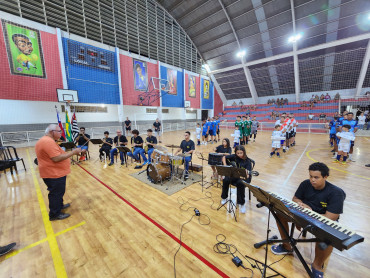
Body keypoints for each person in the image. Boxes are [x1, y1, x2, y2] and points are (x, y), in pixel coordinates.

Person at [271, 162, 346, 278]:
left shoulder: (336, 193)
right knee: (280, 214)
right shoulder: (305, 184)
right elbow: (295, 198)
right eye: (310, 176)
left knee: (328, 236)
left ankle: (317, 265)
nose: (312, 180)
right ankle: (287, 247)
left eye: (316, 177)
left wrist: (309, 212)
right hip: (303, 214)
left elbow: (330, 218)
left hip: (322, 220)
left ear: (325, 177)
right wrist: (300, 204)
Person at [35, 124, 82, 220]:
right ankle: (55, 214)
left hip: (54, 172)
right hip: (53, 173)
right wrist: (73, 152)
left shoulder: (47, 140)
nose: (61, 133)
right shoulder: (48, 142)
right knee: (55, 193)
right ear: (52, 132)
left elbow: (57, 154)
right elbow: (56, 158)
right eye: (59, 131)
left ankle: (59, 206)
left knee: (59, 192)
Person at [220, 146, 252, 214]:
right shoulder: (234, 156)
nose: (239, 155)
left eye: (241, 153)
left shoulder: (247, 161)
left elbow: (248, 175)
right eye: (238, 153)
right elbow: (224, 157)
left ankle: (242, 203)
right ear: (235, 153)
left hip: (244, 178)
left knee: (241, 183)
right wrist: (225, 166)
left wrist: (246, 174)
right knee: (226, 179)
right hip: (234, 176)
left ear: (244, 152)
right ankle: (224, 197)